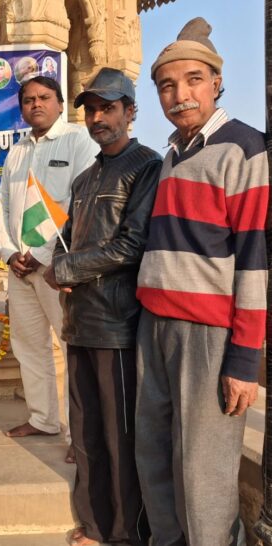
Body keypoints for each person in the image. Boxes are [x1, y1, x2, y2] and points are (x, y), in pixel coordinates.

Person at [135, 18, 268, 545]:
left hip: (207, 334)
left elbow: (255, 259)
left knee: (204, 470)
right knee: (154, 454)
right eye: (166, 85)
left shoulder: (244, 148)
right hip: (155, 325)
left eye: (193, 80)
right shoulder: (172, 153)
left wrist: (245, 360)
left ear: (216, 82)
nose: (180, 95)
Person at [44, 67, 160, 546]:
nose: (98, 118)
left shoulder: (146, 166)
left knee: (120, 437)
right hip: (80, 322)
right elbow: (67, 237)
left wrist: (67, 269)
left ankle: (127, 533)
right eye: (91, 110)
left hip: (118, 324)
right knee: (86, 434)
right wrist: (58, 264)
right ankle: (93, 525)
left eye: (108, 108)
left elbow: (132, 245)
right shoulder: (86, 177)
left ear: (130, 112)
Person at [0, 75, 98, 455]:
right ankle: (42, 419)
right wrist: (9, 252)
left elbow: (80, 203)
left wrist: (41, 254)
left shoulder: (78, 141)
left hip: (59, 268)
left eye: (44, 97)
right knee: (28, 346)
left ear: (60, 103)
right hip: (19, 268)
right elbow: (2, 206)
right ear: (22, 108)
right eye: (29, 100)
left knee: (72, 349)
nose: (36, 104)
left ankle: (79, 437)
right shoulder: (17, 152)